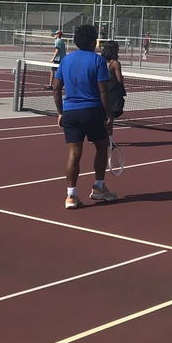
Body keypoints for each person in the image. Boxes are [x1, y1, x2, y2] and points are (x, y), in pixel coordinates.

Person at [52, 24, 119, 210]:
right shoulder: (97, 61)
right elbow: (103, 90)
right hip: (92, 111)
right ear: (92, 41)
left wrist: (60, 112)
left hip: (70, 112)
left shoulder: (66, 60)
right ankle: (98, 187)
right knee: (101, 147)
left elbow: (56, 88)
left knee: (74, 154)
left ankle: (71, 196)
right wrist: (108, 115)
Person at [101, 39, 126, 123]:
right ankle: (109, 135)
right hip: (113, 95)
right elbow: (119, 79)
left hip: (103, 91)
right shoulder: (115, 63)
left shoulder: (101, 61)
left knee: (103, 117)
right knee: (109, 119)